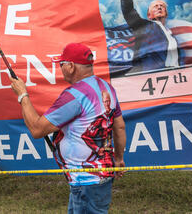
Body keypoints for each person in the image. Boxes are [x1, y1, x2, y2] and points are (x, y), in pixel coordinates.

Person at [10, 43, 126, 213]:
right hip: (100, 177)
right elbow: (120, 127)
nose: (60, 68)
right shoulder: (107, 88)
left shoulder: (74, 95)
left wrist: (22, 95)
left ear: (71, 66)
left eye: (61, 64)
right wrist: (118, 158)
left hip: (84, 181)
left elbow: (36, 130)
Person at [119, 0, 183, 72]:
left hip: (174, 76)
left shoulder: (172, 36)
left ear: (166, 13)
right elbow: (128, 10)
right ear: (149, 15)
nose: (159, 7)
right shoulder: (144, 26)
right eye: (155, 6)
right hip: (149, 74)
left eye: (162, 6)